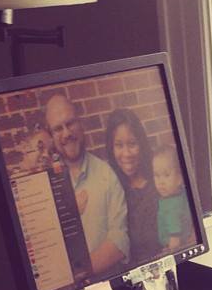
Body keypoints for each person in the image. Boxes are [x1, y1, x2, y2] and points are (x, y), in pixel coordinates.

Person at [44, 94, 130, 275]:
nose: (66, 133)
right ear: (51, 135)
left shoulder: (107, 175)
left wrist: (75, 274)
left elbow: (119, 240)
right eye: (58, 128)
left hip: (103, 289)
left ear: (80, 123)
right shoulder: (42, 186)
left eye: (70, 123)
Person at [104, 108, 161, 265]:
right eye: (119, 145)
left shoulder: (159, 181)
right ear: (111, 148)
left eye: (132, 144)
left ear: (141, 144)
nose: (126, 153)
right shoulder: (111, 188)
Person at [152, 145, 190, 253]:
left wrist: (171, 249)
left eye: (166, 175)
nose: (161, 181)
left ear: (179, 178)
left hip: (173, 245)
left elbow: (175, 234)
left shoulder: (172, 204)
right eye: (156, 175)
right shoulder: (179, 194)